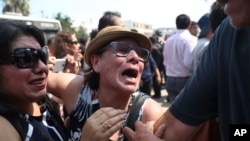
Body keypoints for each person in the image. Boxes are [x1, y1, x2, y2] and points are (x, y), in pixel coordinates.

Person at [122, 0, 250, 141]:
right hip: (186, 81)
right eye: (122, 50)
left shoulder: (171, 40)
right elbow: (174, 123)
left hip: (172, 80)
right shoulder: (227, 35)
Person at [47, 26, 163, 141]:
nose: (135, 57)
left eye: (140, 53)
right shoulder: (76, 89)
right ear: (96, 62)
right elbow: (36, 79)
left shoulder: (149, 114)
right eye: (122, 50)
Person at [0, 20, 68, 140]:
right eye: (26, 58)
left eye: (43, 55)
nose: (43, 67)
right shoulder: (4, 127)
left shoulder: (42, 103)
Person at [163, 14, 197, 103]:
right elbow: (188, 63)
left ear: (176, 25)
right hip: (184, 80)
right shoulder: (190, 39)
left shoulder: (169, 40)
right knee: (187, 110)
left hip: (170, 78)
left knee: (174, 110)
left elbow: (165, 61)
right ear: (189, 25)